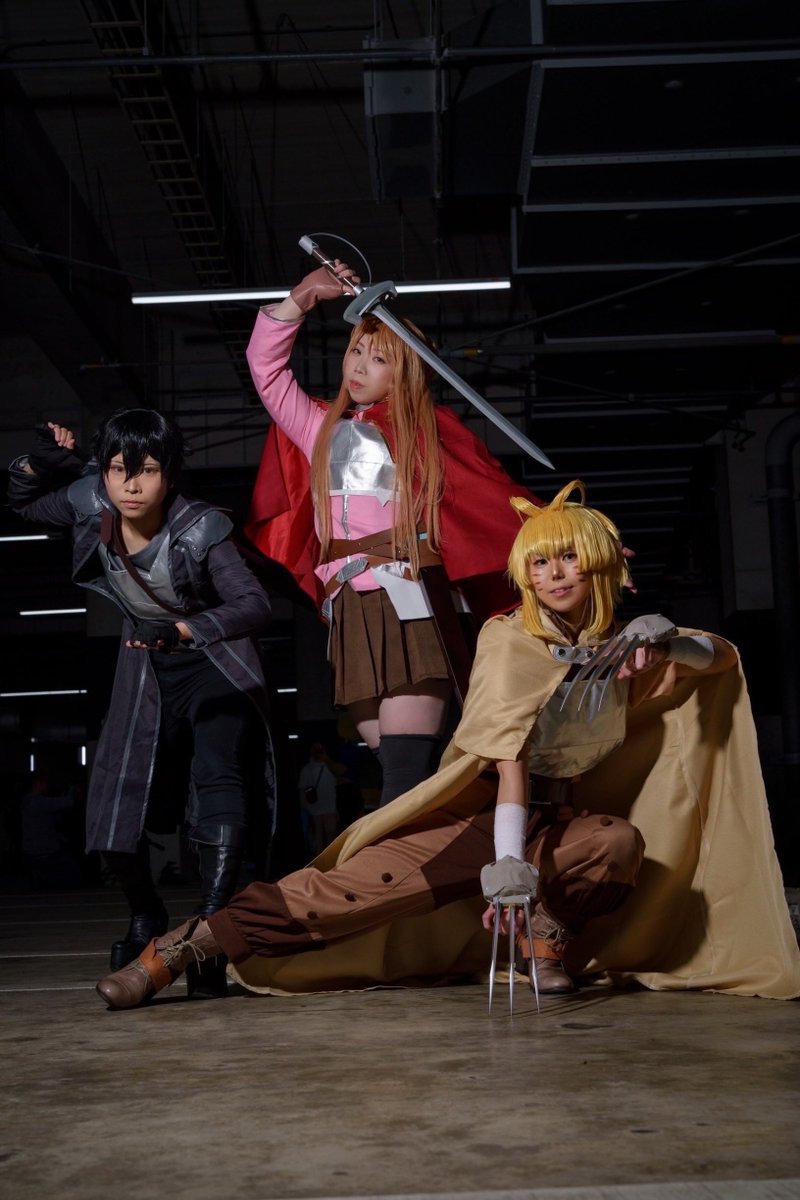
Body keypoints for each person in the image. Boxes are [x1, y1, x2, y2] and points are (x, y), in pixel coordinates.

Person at [95, 481, 800, 1009]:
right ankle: (184, 947)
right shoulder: (508, 638)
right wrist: (506, 864)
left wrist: (668, 637)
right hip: (480, 817)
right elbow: (508, 761)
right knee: (338, 896)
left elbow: (718, 662)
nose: (555, 575)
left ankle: (545, 938)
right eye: (541, 563)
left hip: (561, 822)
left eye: (569, 559)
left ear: (601, 566)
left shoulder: (617, 647)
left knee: (615, 843)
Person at [244, 259, 544, 807]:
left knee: (404, 769)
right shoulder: (318, 427)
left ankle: (404, 859)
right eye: (356, 350)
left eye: (379, 358)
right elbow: (265, 368)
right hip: (348, 605)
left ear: (404, 373)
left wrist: (573, 541)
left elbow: (494, 500)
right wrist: (302, 297)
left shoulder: (426, 433)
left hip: (411, 596)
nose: (359, 366)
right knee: (398, 769)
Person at [8, 410, 280, 997]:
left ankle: (207, 934)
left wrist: (183, 630)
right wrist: (39, 463)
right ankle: (145, 914)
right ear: (104, 473)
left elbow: (254, 604)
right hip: (144, 659)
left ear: (170, 474)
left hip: (213, 660)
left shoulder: (202, 527)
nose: (131, 485)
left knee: (219, 777)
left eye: (148, 470)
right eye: (118, 470)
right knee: (114, 791)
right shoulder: (92, 502)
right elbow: (23, 506)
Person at [298, 742, 339, 856]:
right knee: (318, 831)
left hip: (330, 803)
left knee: (330, 831)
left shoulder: (330, 766)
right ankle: (320, 856)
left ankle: (330, 855)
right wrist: (304, 805)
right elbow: (302, 787)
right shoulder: (308, 768)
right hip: (315, 804)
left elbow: (340, 776)